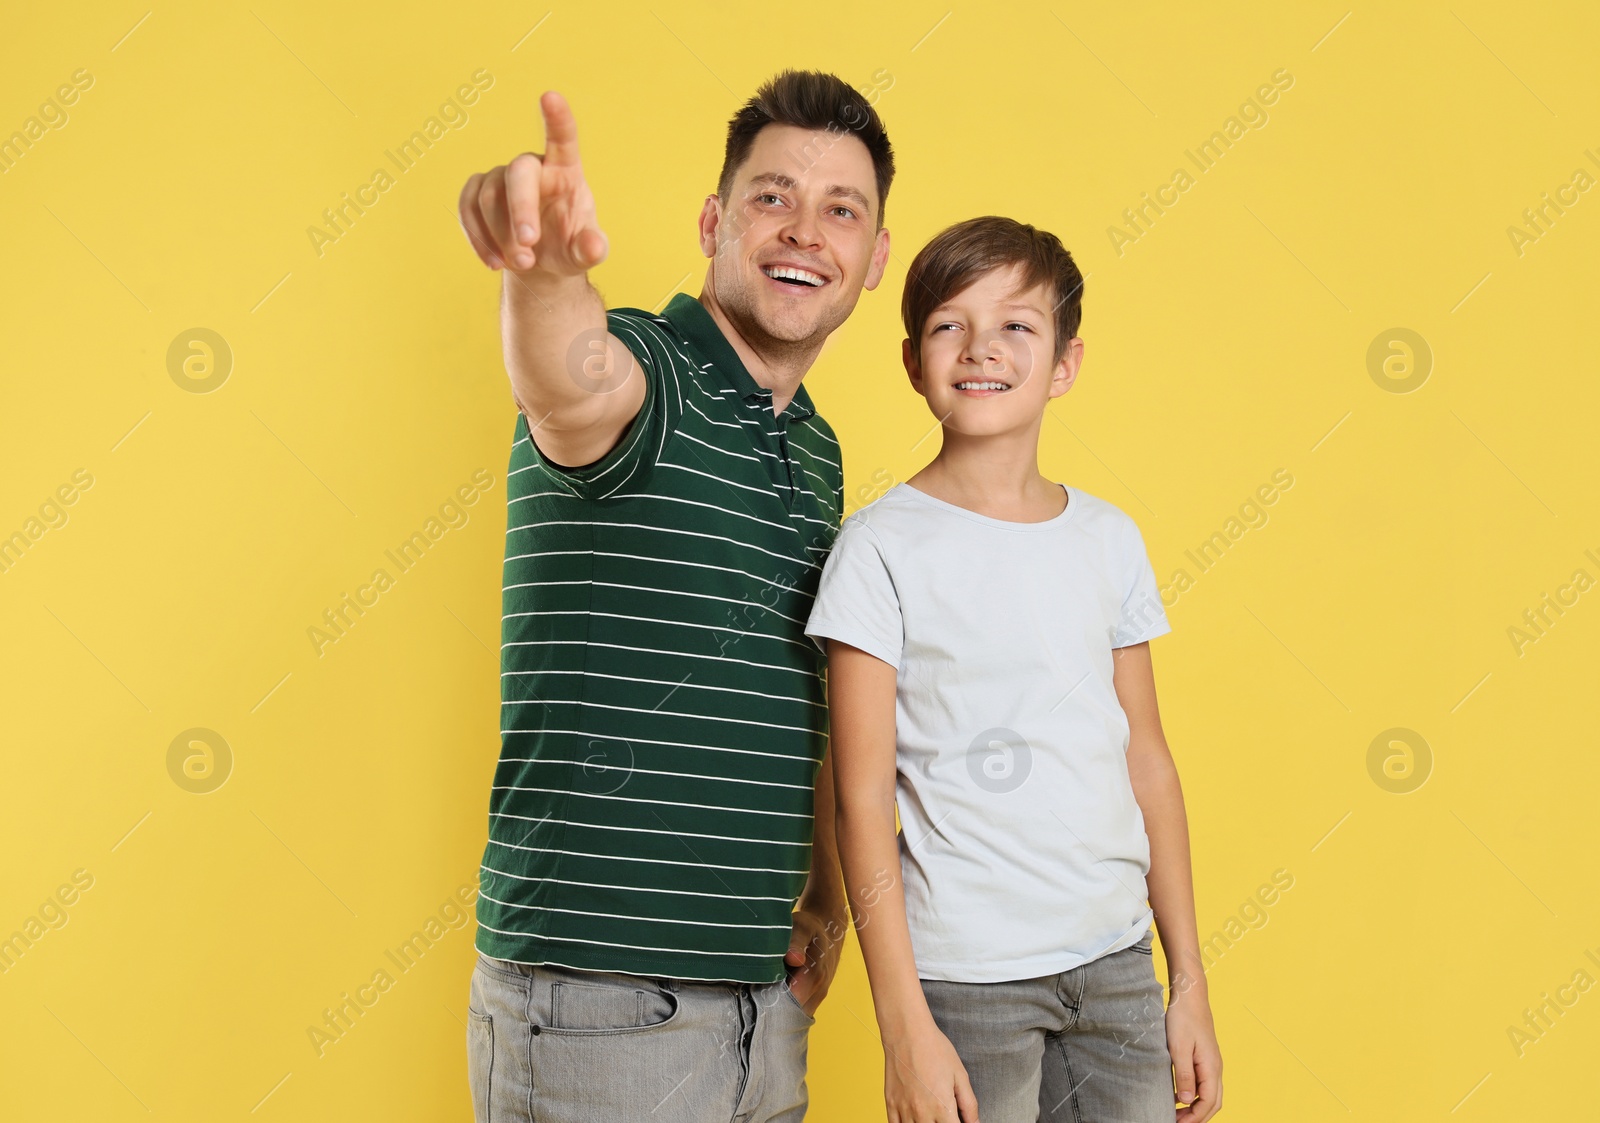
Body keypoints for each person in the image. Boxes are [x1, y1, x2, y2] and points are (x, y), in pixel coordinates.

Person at [451, 71, 893, 1121]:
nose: (805, 232)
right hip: (603, 1003)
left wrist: (825, 895)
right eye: (772, 196)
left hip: (760, 1004)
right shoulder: (649, 370)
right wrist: (542, 269)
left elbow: (803, 693)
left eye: (843, 211)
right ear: (714, 221)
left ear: (874, 260)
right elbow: (569, 380)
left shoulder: (817, 448)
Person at [806, 216, 1223, 1123]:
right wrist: (904, 1024)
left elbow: (1146, 759)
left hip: (1116, 968)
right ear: (913, 361)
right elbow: (859, 795)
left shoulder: (1109, 538)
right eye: (951, 324)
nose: (981, 349)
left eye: (1016, 327)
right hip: (967, 980)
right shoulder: (879, 549)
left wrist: (1185, 980)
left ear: (1065, 364)